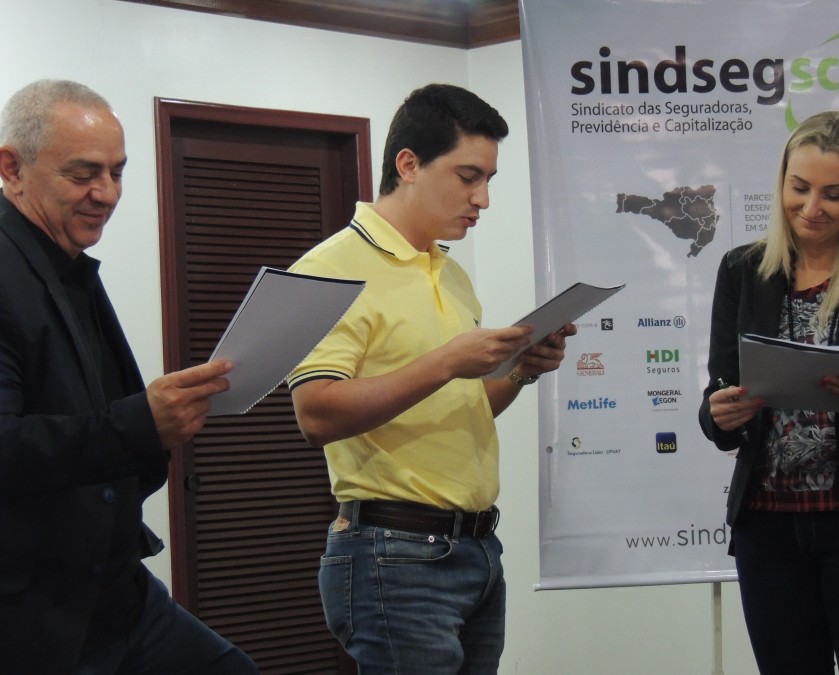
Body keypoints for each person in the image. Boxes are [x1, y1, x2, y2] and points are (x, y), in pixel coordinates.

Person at [287, 83, 576, 673]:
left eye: (488, 179)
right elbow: (315, 414)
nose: (482, 198)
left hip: (476, 547)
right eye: (468, 176)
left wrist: (521, 371)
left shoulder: (450, 273)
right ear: (409, 165)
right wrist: (446, 361)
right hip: (393, 553)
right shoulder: (327, 270)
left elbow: (459, 406)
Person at [0, 79, 259, 674]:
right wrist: (140, 423)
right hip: (36, 615)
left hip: (116, 595)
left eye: (117, 172)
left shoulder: (64, 264)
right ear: (12, 168)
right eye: (83, 174)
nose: (107, 193)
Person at [699, 111, 839, 675]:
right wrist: (721, 414)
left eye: (834, 194)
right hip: (767, 529)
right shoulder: (743, 270)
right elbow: (719, 392)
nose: (812, 207)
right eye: (800, 187)